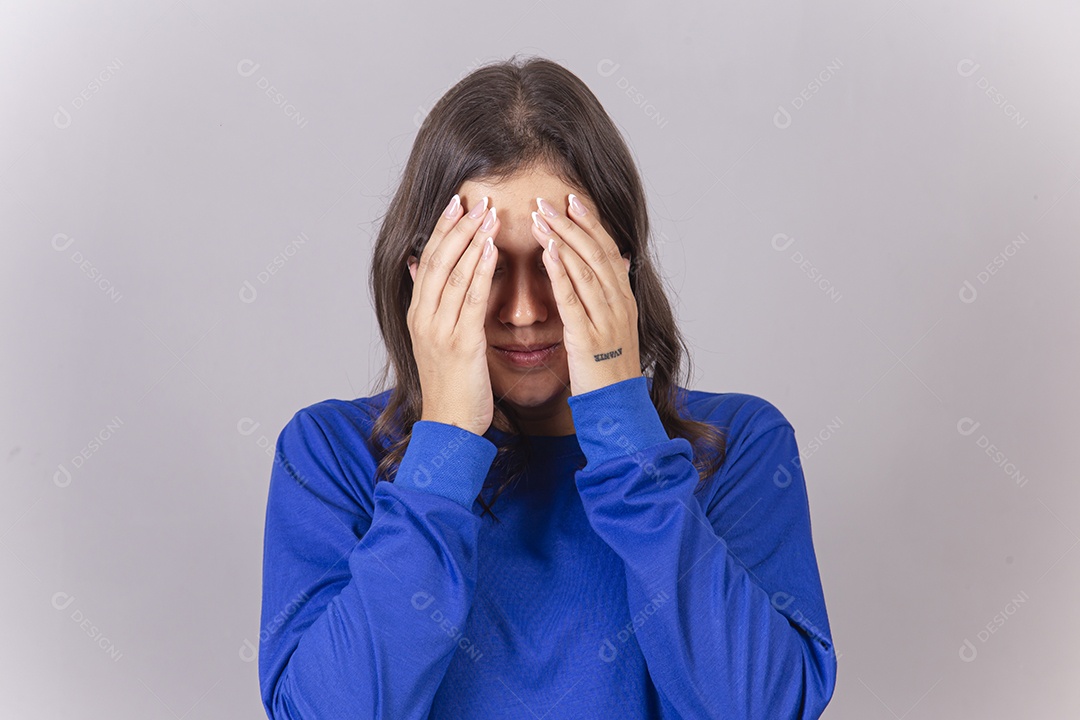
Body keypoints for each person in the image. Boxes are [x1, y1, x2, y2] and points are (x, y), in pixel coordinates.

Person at [258, 54, 837, 719]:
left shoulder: (740, 446)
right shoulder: (329, 453)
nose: (526, 310)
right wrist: (444, 444)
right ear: (423, 277)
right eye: (485, 268)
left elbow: (761, 708)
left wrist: (623, 427)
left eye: (558, 262)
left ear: (620, 269)